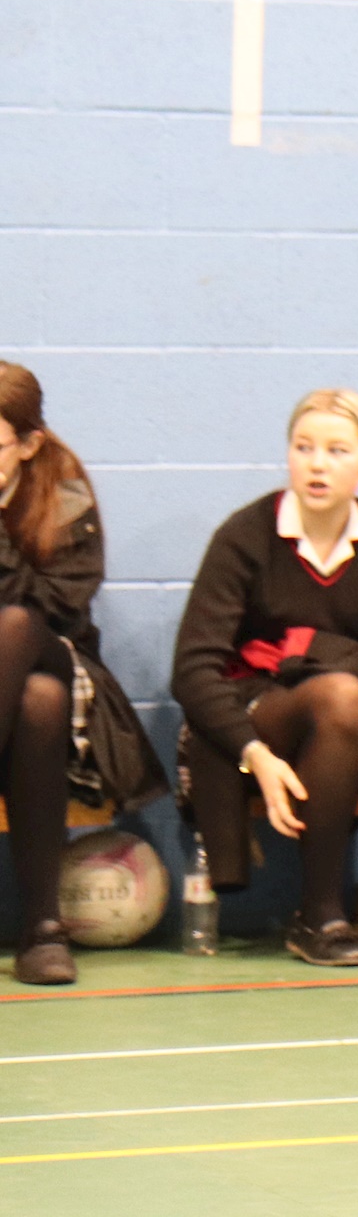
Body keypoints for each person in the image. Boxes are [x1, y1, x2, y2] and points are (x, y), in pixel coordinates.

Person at [172, 389, 358, 968]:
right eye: (304, 448)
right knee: (346, 694)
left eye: (336, 450)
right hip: (254, 714)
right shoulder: (246, 534)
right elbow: (193, 670)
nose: (317, 463)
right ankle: (318, 911)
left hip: (346, 712)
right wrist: (257, 756)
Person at [2, 362, 163, 986]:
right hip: (31, 702)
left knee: (17, 629)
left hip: (58, 657)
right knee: (36, 701)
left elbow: (59, 603)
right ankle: (42, 927)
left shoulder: (64, 493)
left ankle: (42, 925)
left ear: (29, 443)